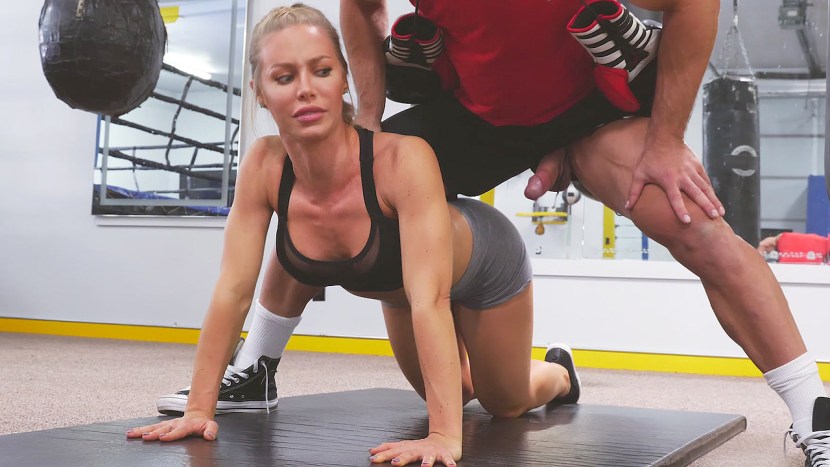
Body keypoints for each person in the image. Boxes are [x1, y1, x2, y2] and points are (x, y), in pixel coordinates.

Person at [155, 0, 829, 465]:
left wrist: (666, 137)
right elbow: (360, 8)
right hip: (475, 117)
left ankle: (812, 411)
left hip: (587, 113)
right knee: (327, 180)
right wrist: (370, 118)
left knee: (693, 224)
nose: (303, 86)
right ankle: (258, 366)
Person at [131, 5, 580, 466]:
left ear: (344, 79)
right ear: (260, 93)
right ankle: (255, 373)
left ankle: (559, 373)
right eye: (284, 77)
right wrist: (198, 409)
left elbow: (430, 300)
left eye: (322, 71)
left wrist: (443, 435)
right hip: (399, 288)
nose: (306, 89)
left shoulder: (401, 159)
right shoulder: (264, 167)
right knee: (460, 389)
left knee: (504, 402)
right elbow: (232, 289)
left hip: (482, 266)